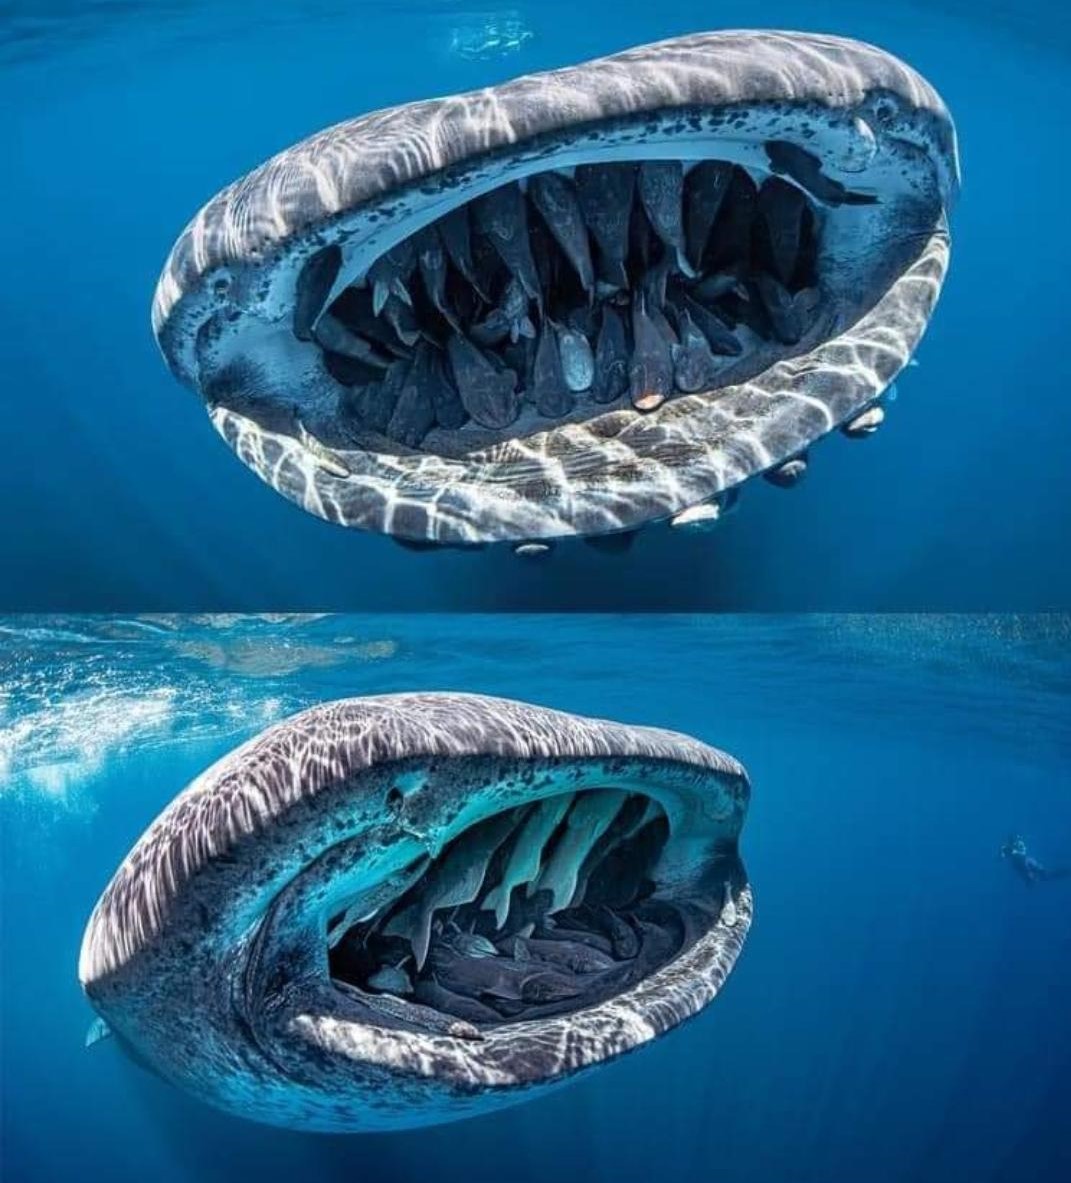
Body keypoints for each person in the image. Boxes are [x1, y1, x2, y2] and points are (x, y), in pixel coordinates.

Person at [1000, 834, 1068, 885]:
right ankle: (1063, 872)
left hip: (1025, 863)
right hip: (1027, 862)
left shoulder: (1010, 849)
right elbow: (1023, 852)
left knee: (1042, 876)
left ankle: (1063, 872)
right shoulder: (1016, 845)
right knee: (1044, 875)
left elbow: (1003, 857)